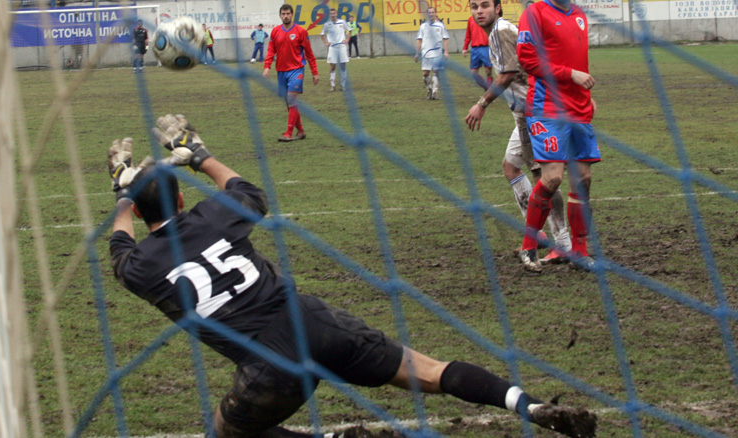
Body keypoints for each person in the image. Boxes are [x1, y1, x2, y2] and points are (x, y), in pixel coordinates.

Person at [106, 114, 598, 438]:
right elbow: (246, 190)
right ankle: (529, 407)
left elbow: (120, 244)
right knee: (429, 372)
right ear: (181, 199)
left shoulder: (141, 267)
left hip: (268, 368)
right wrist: (198, 152)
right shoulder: (213, 215)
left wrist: (122, 192)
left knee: (225, 434)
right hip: (317, 324)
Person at [464, 0, 571, 267]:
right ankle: (539, 237)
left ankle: (560, 243)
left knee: (544, 178)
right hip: (528, 111)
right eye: (474, 6)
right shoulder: (500, 31)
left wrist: (482, 103)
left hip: (532, 112)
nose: (479, 11)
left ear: (497, 8)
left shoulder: (500, 31)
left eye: (485, 5)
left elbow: (510, 73)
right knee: (511, 167)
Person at [516, 0, 600, 272]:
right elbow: (527, 59)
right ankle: (528, 247)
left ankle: (579, 250)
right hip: (547, 107)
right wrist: (570, 75)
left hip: (578, 109)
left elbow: (581, 64)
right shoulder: (535, 13)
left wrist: (587, 97)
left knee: (584, 178)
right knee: (551, 178)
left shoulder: (579, 16)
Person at [263, 4, 319, 143]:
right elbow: (271, 51)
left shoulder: (301, 31)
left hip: (297, 69)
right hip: (281, 71)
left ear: (292, 15)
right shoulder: (275, 32)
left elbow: (309, 54)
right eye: (283, 13)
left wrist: (315, 72)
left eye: (288, 13)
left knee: (291, 98)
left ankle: (288, 133)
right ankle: (300, 131)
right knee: (289, 103)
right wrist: (267, 66)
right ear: (280, 15)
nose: (286, 16)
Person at [414, 7, 449, 101]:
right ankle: (430, 89)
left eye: (433, 12)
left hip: (437, 53)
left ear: (435, 13)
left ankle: (434, 92)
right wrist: (417, 53)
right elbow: (419, 40)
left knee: (436, 73)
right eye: (429, 12)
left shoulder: (441, 26)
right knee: (425, 74)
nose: (431, 14)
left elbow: (445, 39)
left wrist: (446, 52)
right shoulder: (423, 26)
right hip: (426, 53)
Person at [320, 8, 350, 92]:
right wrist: (326, 42)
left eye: (334, 13)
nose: (332, 15)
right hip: (332, 47)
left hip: (341, 47)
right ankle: (332, 85)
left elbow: (350, 30)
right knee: (332, 66)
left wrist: (347, 39)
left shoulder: (342, 22)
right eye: (331, 14)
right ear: (330, 15)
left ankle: (343, 85)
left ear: (336, 14)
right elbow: (321, 34)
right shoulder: (327, 24)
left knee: (343, 66)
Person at [462, 14, 494, 89]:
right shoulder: (470, 19)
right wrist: (465, 48)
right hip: (475, 49)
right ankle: (487, 88)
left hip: (486, 47)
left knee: (488, 72)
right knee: (473, 74)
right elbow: (468, 35)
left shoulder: (487, 17)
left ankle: (489, 92)